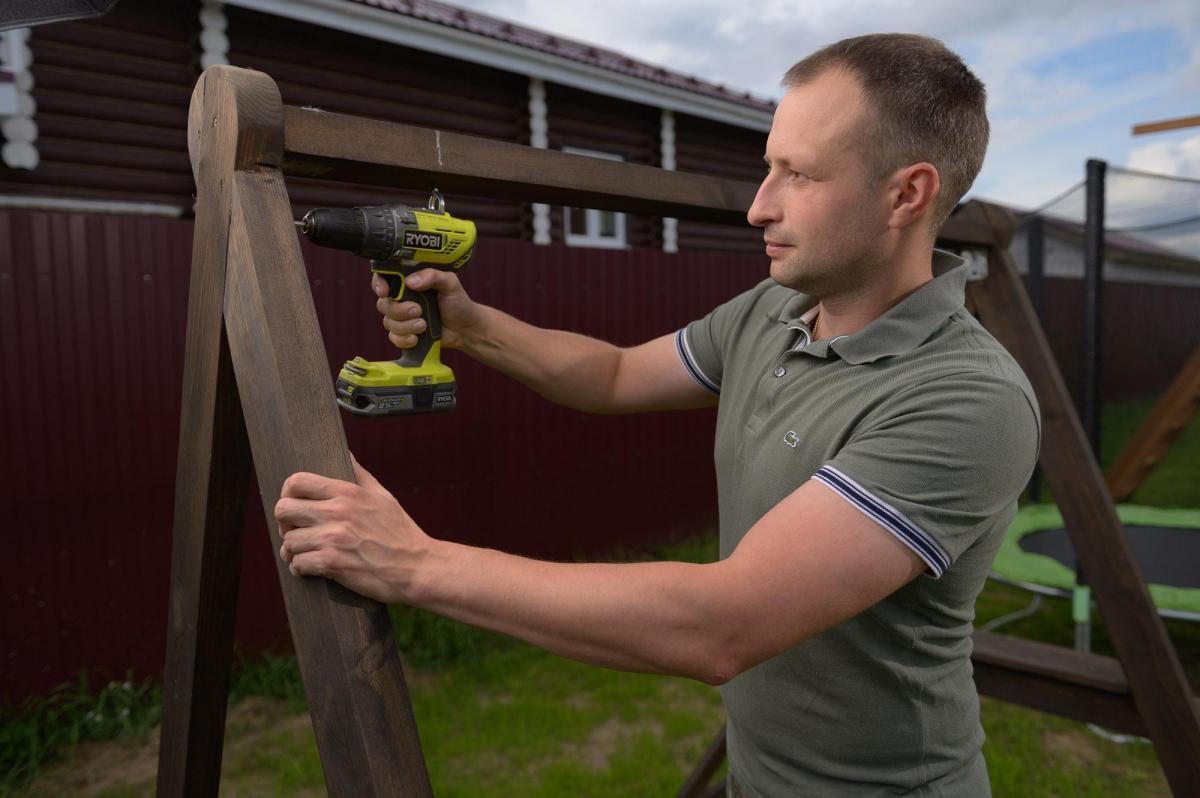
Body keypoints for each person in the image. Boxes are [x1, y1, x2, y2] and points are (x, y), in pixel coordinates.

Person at [274, 33, 1040, 797]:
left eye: (799, 174)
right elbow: (613, 375)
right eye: (768, 167)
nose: (759, 206)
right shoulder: (773, 312)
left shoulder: (965, 398)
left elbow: (722, 625)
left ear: (906, 195)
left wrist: (412, 565)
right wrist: (471, 327)